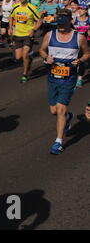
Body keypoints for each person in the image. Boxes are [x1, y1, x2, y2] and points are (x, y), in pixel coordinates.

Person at [39, 8, 90, 155]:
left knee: (61, 109)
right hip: (53, 77)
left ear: (70, 21)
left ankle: (58, 142)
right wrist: (46, 58)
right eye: (58, 24)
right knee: (54, 110)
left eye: (62, 24)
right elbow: (42, 50)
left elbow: (87, 52)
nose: (59, 27)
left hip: (69, 78)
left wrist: (80, 60)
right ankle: (68, 118)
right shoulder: (50, 35)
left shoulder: (79, 38)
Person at [9, 0, 42, 83]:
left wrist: (33, 30)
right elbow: (11, 17)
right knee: (18, 57)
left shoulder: (31, 8)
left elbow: (39, 21)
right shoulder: (15, 7)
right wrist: (10, 28)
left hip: (28, 35)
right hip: (18, 34)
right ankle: (29, 59)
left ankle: (25, 74)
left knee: (24, 55)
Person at [73, 5, 90, 88]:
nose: (80, 10)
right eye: (79, 9)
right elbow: (70, 28)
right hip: (75, 42)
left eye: (82, 9)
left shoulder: (89, 20)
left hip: (86, 43)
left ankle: (79, 79)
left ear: (86, 11)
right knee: (74, 59)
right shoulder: (75, 19)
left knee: (81, 60)